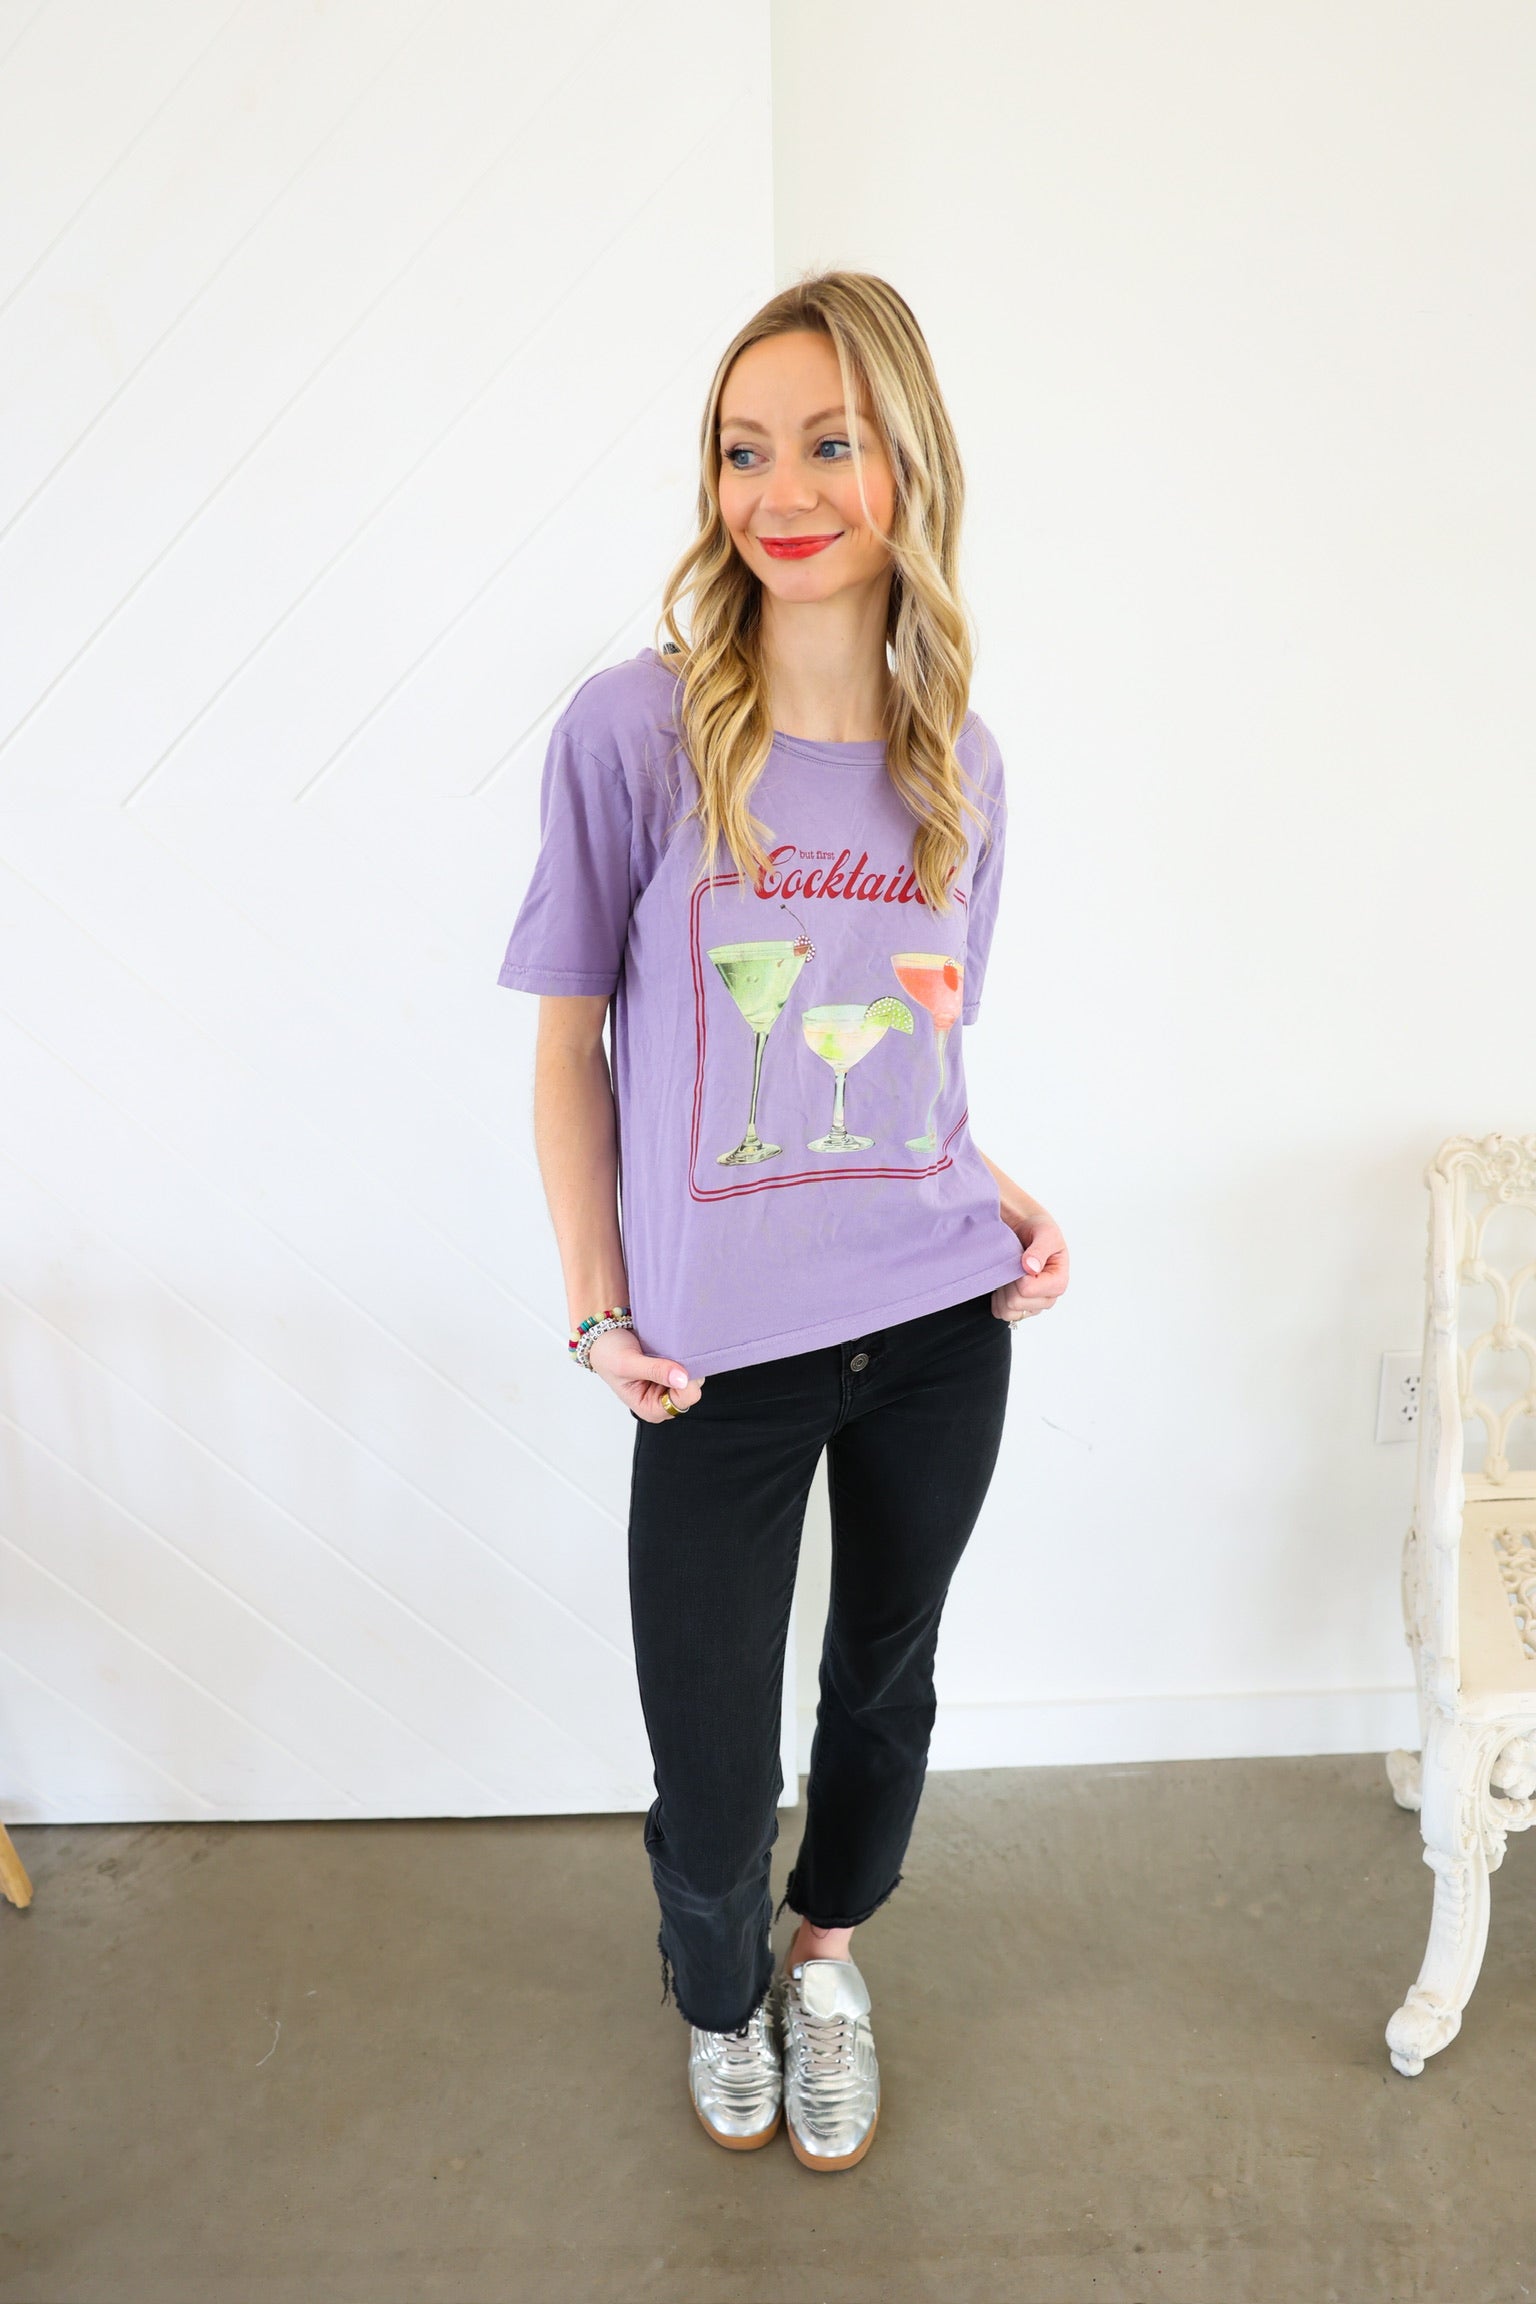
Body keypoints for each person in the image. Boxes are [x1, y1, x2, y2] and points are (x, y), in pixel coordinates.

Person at [497, 270, 1069, 2172]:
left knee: (885, 1682)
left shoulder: (961, 767)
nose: (782, 490)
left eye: (830, 442)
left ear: (911, 467)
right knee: (712, 1733)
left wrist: (1002, 1197)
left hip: (940, 1321)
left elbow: (915, 1062)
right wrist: (598, 1310)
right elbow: (570, 1047)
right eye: (745, 451)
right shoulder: (638, 734)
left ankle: (826, 1960)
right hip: (714, 1351)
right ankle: (718, 1985)